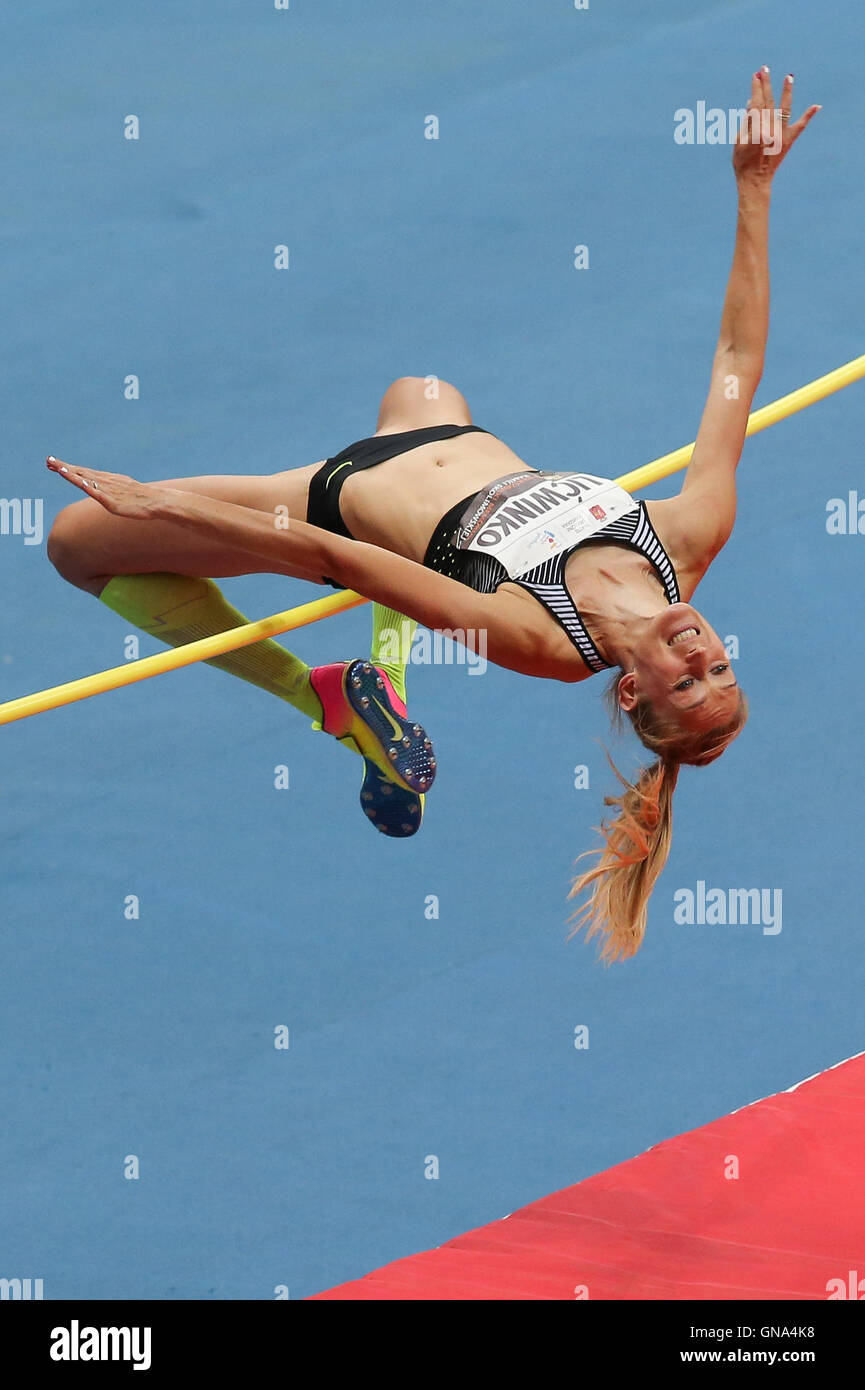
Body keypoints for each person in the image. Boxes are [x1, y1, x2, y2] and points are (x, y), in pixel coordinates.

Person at [46, 66, 818, 958]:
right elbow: (735, 361)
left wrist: (165, 503)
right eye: (718, 665)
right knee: (419, 387)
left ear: (634, 689)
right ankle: (382, 698)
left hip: (335, 500)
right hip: (434, 427)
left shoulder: (549, 644)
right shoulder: (687, 535)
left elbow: (347, 563)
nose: (698, 653)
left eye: (685, 682)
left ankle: (320, 697)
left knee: (76, 547)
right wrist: (752, 189)